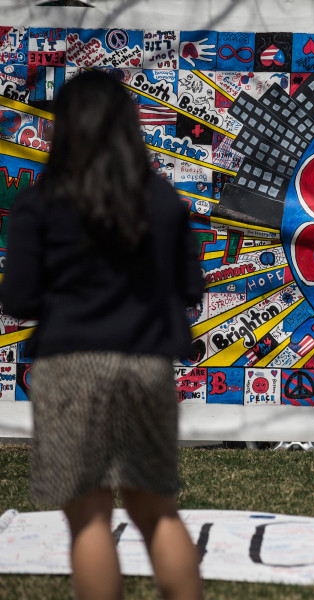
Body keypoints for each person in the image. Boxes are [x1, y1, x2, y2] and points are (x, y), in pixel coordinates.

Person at [0, 70, 205, 600]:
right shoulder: (163, 201)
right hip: (147, 363)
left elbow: (20, 297)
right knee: (158, 513)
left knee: (89, 519)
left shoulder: (39, 204)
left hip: (68, 364)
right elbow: (190, 288)